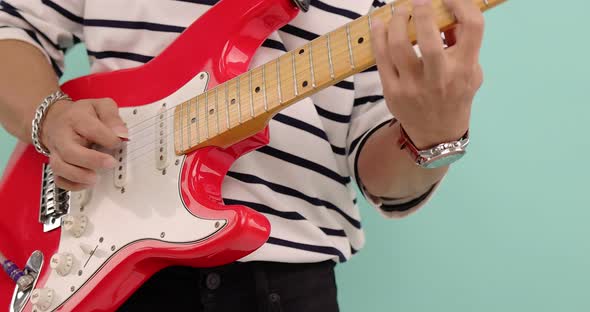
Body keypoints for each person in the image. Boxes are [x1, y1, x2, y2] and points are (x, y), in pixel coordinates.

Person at [0, 0, 484, 311]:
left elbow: (379, 172)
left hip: (283, 284)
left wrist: (432, 136)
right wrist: (50, 117)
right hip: (90, 258)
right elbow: (11, 24)